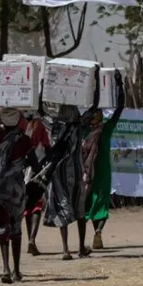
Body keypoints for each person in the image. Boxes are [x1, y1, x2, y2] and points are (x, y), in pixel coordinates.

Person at [40, 78, 102, 259]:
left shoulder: (53, 126)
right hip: (75, 172)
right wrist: (95, 85)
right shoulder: (78, 126)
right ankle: (81, 247)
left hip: (59, 174)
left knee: (62, 208)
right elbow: (93, 108)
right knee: (79, 208)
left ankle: (66, 249)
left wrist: (43, 86)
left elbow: (39, 109)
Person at [0, 103, 34, 284]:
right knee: (16, 228)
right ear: (18, 120)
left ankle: (5, 269)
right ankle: (17, 271)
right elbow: (35, 163)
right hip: (16, 191)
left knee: (3, 226)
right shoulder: (24, 140)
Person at [84, 71, 126, 248]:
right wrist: (120, 86)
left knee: (89, 202)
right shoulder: (106, 130)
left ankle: (89, 236)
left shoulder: (84, 130)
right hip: (102, 170)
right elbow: (119, 109)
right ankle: (98, 232)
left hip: (86, 172)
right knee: (101, 203)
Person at [21, 112, 51, 255]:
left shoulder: (20, 127)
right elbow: (47, 147)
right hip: (37, 169)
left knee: (27, 206)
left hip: (23, 171)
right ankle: (32, 239)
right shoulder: (40, 128)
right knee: (37, 205)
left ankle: (30, 240)